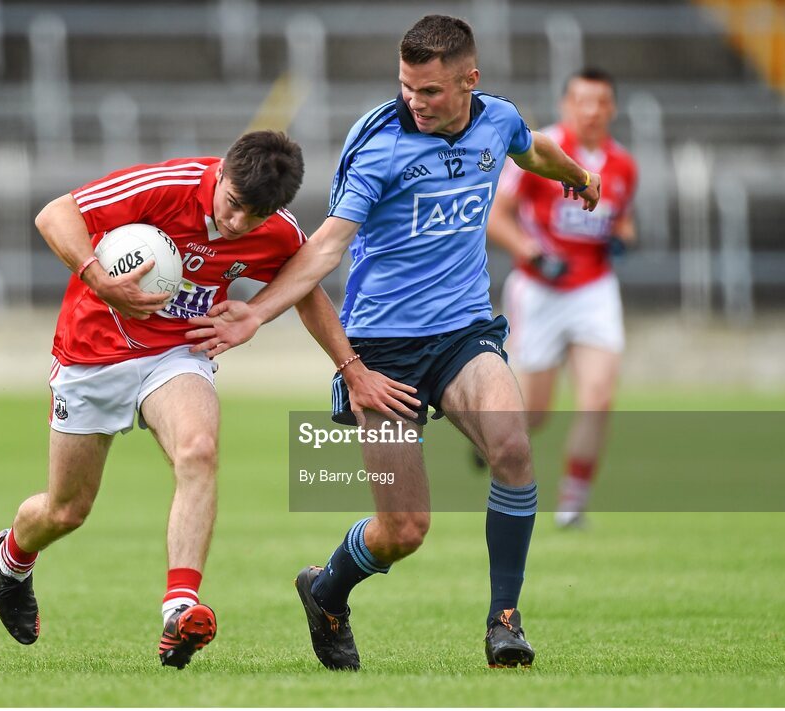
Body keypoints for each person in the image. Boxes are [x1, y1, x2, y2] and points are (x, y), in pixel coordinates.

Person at [186, 16, 601, 670]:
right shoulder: (378, 144)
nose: (414, 100)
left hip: (464, 332)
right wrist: (255, 313)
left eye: (430, 90)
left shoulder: (497, 119)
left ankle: (505, 621)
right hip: (380, 351)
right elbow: (325, 245)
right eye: (407, 86)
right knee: (405, 530)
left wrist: (575, 174)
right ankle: (325, 590)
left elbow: (532, 148)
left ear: (470, 80)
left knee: (514, 446)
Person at [0, 130, 347, 670]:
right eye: (232, 205)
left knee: (198, 450)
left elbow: (305, 287)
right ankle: (13, 557)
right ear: (222, 173)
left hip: (177, 356)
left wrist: (350, 367)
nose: (237, 224)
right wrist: (99, 279)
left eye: (253, 217)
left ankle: (180, 608)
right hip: (92, 353)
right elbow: (53, 214)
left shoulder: (275, 229)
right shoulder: (166, 186)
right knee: (67, 510)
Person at [487, 68, 638, 528]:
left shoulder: (623, 165)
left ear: (612, 109)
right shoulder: (539, 151)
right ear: (566, 104)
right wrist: (533, 253)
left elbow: (623, 221)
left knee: (598, 396)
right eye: (583, 101)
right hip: (540, 290)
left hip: (594, 288)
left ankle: (572, 505)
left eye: (601, 103)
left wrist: (623, 239)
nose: (592, 111)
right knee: (534, 413)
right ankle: (490, 439)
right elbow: (496, 216)